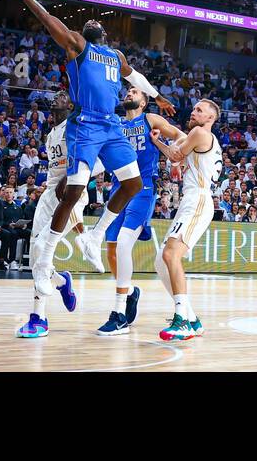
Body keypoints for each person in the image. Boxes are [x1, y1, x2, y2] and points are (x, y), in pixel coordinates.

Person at [13, 0, 172, 299]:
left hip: (111, 126)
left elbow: (135, 76)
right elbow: (47, 19)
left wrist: (158, 96)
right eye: (88, 20)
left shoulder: (115, 56)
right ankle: (45, 262)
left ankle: (94, 236)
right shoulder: (77, 45)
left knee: (133, 184)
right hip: (85, 125)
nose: (91, 19)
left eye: (96, 20)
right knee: (73, 191)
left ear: (105, 32)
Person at [96, 87, 185, 337]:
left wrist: (177, 158)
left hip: (143, 188)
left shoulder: (150, 120)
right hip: (117, 190)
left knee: (125, 243)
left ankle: (119, 314)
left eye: (134, 91)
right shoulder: (115, 124)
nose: (129, 93)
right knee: (112, 250)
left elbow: (180, 135)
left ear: (144, 102)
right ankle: (131, 292)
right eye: (127, 91)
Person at [17, 92, 90, 339]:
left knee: (41, 245)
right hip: (50, 194)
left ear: (70, 104)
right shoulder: (50, 134)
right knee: (34, 253)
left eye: (61, 96)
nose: (55, 98)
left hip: (73, 195)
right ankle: (60, 281)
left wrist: (70, 180)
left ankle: (39, 318)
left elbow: (87, 161)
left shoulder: (76, 126)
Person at [150, 98, 223, 342]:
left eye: (200, 110)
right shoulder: (201, 137)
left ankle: (181, 319)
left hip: (199, 200)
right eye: (194, 108)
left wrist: (155, 140)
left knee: (171, 255)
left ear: (210, 119)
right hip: (192, 200)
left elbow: (173, 154)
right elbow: (177, 147)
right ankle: (192, 319)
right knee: (162, 260)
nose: (194, 111)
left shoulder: (200, 133)